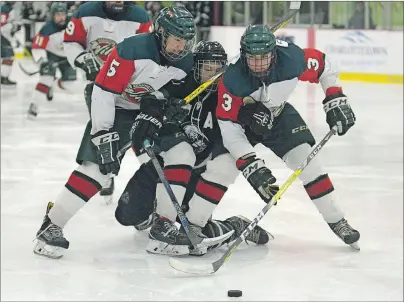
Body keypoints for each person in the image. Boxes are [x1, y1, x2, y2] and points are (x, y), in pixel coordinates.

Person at [33, 5, 187, 260]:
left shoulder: (183, 57)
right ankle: (52, 225)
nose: (180, 48)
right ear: (160, 34)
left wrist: (168, 102)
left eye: (185, 42)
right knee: (98, 167)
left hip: (150, 112)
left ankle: (155, 220)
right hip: (116, 108)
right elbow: (103, 91)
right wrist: (103, 131)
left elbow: (184, 87)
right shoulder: (131, 49)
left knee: (172, 157)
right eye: (176, 40)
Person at [116, 41, 271, 255]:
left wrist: (253, 117)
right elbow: (152, 99)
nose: (213, 74)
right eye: (208, 68)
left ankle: (235, 226)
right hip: (161, 167)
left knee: (195, 232)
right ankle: (156, 214)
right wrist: (162, 111)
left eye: (218, 69)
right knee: (126, 216)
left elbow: (238, 133)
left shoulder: (226, 95)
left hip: (195, 174)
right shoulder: (182, 83)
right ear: (196, 67)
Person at [216, 24, 360, 248]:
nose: (258, 65)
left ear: (274, 54)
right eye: (252, 58)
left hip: (280, 116)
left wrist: (335, 97)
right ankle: (199, 224)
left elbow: (326, 65)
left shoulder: (292, 58)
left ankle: (337, 220)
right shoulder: (232, 79)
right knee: (220, 169)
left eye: (264, 57)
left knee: (310, 164)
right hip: (244, 125)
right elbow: (228, 125)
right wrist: (250, 163)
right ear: (244, 56)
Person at [63, 1, 152, 201]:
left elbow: (149, 51)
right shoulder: (85, 12)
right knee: (103, 130)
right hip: (96, 86)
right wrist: (82, 57)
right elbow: (70, 40)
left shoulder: (140, 17)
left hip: (129, 88)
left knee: (135, 132)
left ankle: (144, 172)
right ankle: (107, 171)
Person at [27, 2, 78, 118]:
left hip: (67, 57)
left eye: (63, 14)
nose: (61, 17)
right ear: (52, 15)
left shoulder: (73, 24)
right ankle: (34, 105)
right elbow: (37, 47)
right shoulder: (46, 29)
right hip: (51, 55)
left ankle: (54, 84)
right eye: (58, 14)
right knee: (46, 78)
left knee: (69, 84)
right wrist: (43, 61)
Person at [0, 1, 21, 86]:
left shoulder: (5, 8)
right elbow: (3, 26)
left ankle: (3, 77)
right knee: (8, 57)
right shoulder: (6, 9)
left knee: (7, 57)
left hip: (4, 36)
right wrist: (13, 28)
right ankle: (4, 78)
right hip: (3, 37)